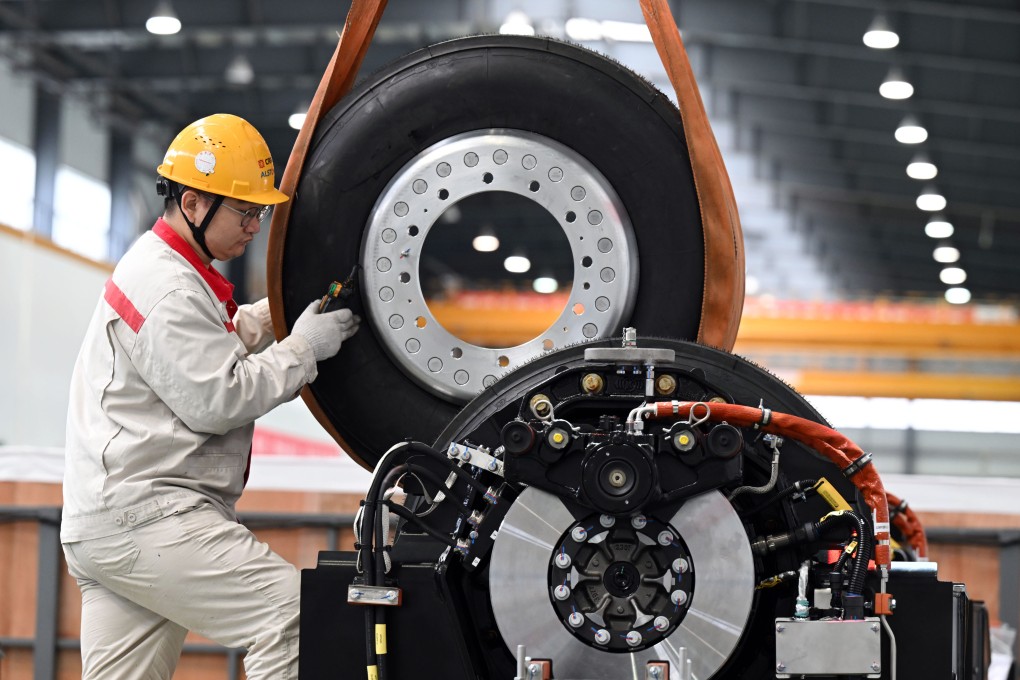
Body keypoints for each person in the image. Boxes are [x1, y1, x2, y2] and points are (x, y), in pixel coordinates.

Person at [60, 113, 358, 679]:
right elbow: (217, 398)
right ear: (194, 203)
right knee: (292, 617)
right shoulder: (169, 285)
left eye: (260, 213)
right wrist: (304, 349)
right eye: (246, 212)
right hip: (148, 518)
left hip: (110, 523)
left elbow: (193, 354)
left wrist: (274, 318)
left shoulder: (170, 270)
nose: (255, 227)